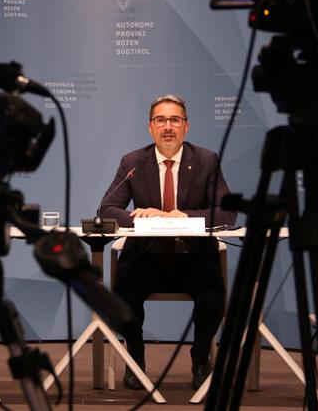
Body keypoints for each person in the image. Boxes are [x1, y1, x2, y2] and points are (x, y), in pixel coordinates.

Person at [98, 94, 237, 390]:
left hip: (193, 256)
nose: (168, 126)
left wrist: (181, 215)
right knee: (124, 288)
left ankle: (201, 358)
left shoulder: (206, 160)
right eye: (161, 120)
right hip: (146, 256)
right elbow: (107, 209)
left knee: (213, 289)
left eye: (175, 119)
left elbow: (227, 212)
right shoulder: (133, 162)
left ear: (186, 126)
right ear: (150, 127)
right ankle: (134, 357)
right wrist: (143, 218)